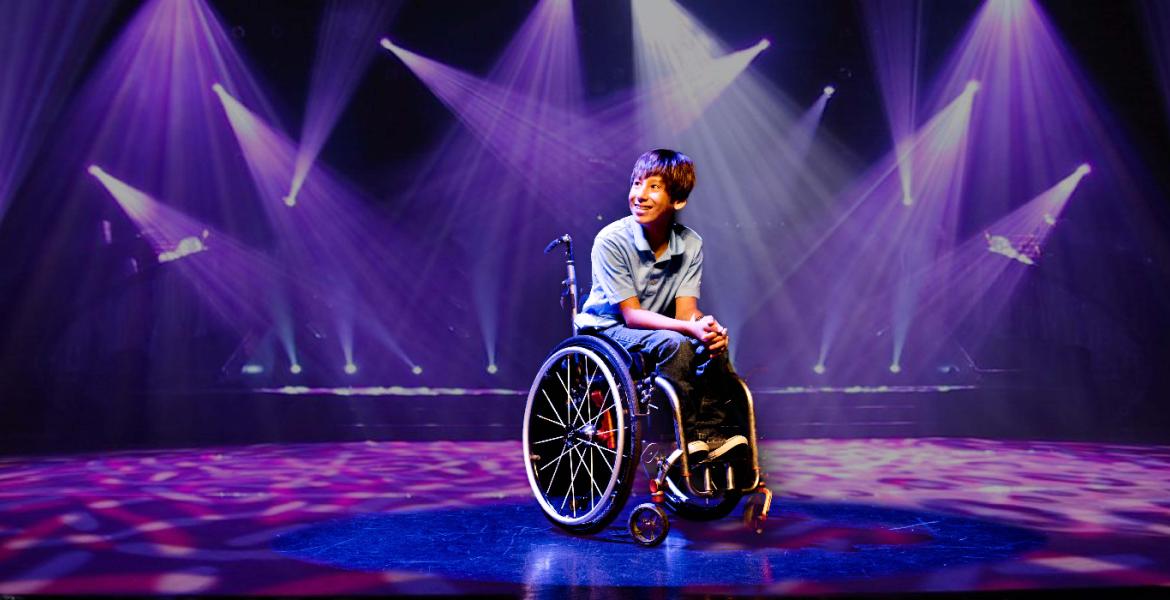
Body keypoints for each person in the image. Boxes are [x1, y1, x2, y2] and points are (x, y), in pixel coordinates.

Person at [575, 148, 747, 463]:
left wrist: (707, 328)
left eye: (653, 187)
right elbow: (631, 315)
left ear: (677, 200)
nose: (639, 194)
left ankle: (720, 434)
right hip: (608, 332)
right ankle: (682, 437)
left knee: (711, 344)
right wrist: (688, 328)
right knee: (675, 343)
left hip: (657, 329)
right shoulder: (611, 240)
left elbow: (685, 314)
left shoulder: (690, 243)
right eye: (637, 184)